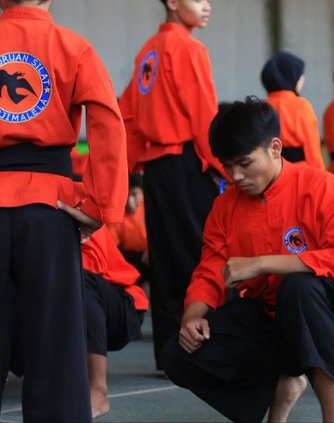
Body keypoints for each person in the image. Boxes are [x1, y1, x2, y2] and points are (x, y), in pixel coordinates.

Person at [160, 98, 334, 423]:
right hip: (271, 320)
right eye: (227, 165)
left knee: (300, 289)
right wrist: (192, 317)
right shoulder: (224, 207)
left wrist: (262, 263)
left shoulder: (320, 186)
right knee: (177, 354)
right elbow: (210, 271)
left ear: (275, 148)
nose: (236, 175)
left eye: (245, 163)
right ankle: (280, 387)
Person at [0, 0, 128, 421]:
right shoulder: (72, 46)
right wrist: (100, 204)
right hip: (51, 206)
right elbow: (108, 125)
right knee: (55, 342)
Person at [119, 0, 226, 371]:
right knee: (200, 254)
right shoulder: (189, 47)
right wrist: (222, 168)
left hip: (156, 170)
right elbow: (203, 114)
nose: (208, 6)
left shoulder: (147, 51)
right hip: (187, 163)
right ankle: (202, 345)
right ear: (173, 2)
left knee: (163, 257)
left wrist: (128, 172)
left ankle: (168, 349)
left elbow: (127, 115)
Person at [82, 225, 149, 419]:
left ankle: (98, 389)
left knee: (79, 280)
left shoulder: (72, 205)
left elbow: (94, 265)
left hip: (118, 299)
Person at [261, 51, 325, 169]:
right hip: (299, 171)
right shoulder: (301, 105)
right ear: (291, 77)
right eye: (301, 76)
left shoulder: (261, 107)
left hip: (270, 171)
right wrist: (319, 174)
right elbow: (311, 147)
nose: (303, 79)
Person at [107, 172, 149, 282]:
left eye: (134, 194)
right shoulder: (118, 215)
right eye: (127, 194)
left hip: (151, 255)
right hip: (132, 258)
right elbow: (111, 244)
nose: (130, 199)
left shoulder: (150, 207)